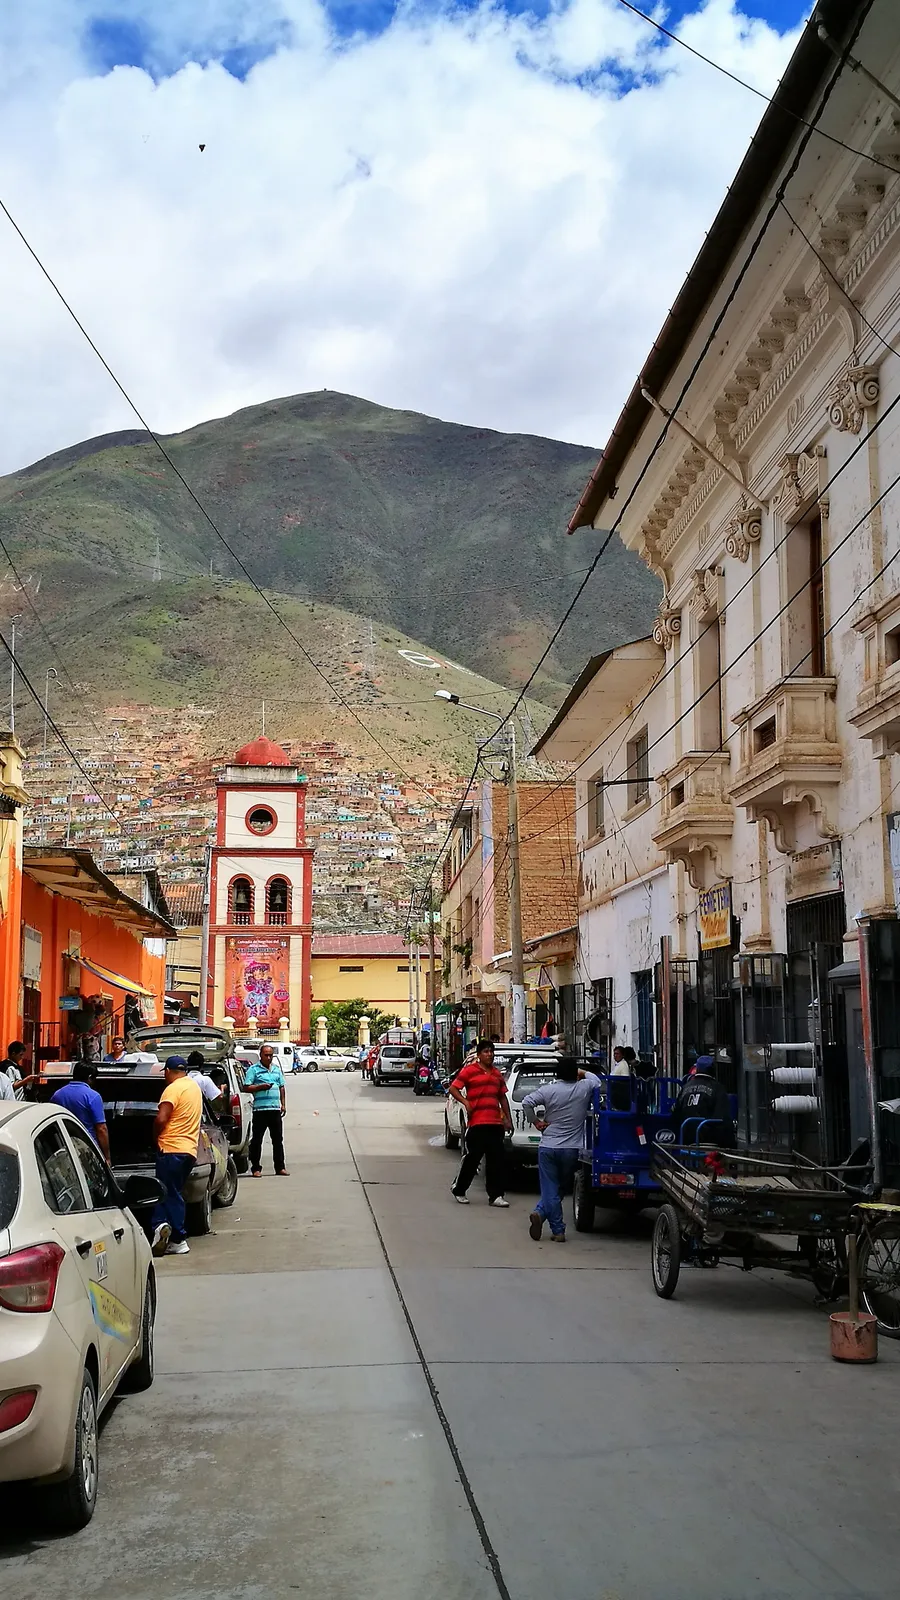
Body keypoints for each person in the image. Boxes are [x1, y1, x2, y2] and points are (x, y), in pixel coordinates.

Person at [522, 1057, 601, 1243]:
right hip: (572, 1149)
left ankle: (552, 1225)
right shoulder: (584, 1087)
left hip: (548, 1146)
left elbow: (527, 1102)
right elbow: (598, 1081)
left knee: (550, 1189)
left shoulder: (548, 1090)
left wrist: (536, 1122)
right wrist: (581, 1072)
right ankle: (543, 1217)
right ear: (575, 1073)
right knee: (560, 1189)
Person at [447, 1039, 512, 1207]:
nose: (489, 1054)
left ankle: (496, 1196)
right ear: (479, 1055)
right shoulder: (469, 1071)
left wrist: (507, 1119)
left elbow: (502, 1097)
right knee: (472, 1159)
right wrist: (466, 1102)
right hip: (477, 1123)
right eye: (485, 1052)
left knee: (496, 1161)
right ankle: (459, 1189)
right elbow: (453, 1088)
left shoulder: (497, 1074)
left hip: (495, 1123)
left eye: (491, 1051)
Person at [150, 1055, 203, 1257]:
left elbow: (161, 1118)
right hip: (188, 1150)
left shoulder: (172, 1089)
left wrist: (154, 1137)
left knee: (169, 1192)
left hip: (171, 1147)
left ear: (167, 1071)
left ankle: (178, 1238)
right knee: (168, 1191)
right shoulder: (193, 1087)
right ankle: (162, 1228)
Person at [669, 1055, 736, 1148]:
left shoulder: (685, 1088)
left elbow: (675, 1113)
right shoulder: (717, 1088)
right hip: (709, 1139)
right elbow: (723, 1117)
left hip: (686, 1138)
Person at [51, 1062, 111, 1159]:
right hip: (88, 1151)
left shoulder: (57, 1095)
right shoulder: (92, 1096)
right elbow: (101, 1129)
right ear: (90, 1077)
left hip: (64, 1148)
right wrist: (107, 1158)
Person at [245, 1043, 288, 1176]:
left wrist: (283, 1104)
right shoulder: (253, 1070)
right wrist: (260, 1087)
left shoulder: (276, 1069)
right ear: (261, 1055)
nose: (269, 1058)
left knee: (277, 1140)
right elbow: (246, 1087)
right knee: (257, 1140)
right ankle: (256, 1168)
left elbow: (281, 1086)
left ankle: (280, 1167)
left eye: (271, 1055)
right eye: (266, 1055)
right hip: (260, 1110)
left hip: (274, 1109)